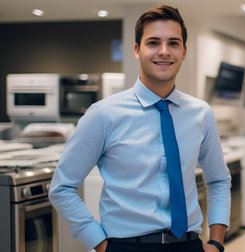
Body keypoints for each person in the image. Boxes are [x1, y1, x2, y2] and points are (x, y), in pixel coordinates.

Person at [49, 5, 231, 252]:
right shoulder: (103, 115)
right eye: (153, 42)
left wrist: (216, 241)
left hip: (188, 245)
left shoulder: (201, 113)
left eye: (173, 43)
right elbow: (62, 187)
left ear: (184, 52)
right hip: (127, 246)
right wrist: (101, 244)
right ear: (137, 50)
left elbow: (219, 179)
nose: (164, 52)